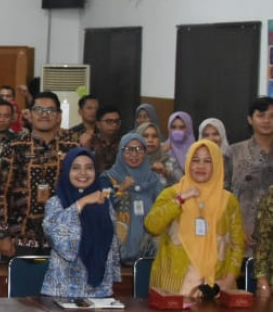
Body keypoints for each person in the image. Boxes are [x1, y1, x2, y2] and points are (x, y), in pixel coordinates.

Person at [145, 140, 243, 298]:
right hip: (174, 287)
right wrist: (181, 198)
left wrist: (228, 281)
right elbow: (152, 225)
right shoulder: (171, 194)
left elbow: (237, 245)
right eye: (195, 160)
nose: (200, 166)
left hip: (217, 287)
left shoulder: (228, 201)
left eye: (207, 161)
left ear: (217, 164)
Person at [0, 92, 80, 257]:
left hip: (62, 237)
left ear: (58, 116)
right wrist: (2, 234)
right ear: (29, 114)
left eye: (50, 110)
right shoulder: (15, 146)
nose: (44, 114)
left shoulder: (72, 148)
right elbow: (1, 194)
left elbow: (80, 193)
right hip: (21, 236)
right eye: (39, 109)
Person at [41, 148, 122, 298]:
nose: (83, 173)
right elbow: (58, 239)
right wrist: (81, 203)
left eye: (89, 168)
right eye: (76, 168)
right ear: (66, 172)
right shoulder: (56, 203)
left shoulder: (104, 204)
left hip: (100, 289)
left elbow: (111, 245)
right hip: (63, 289)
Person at [103, 132, 163, 264]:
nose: (134, 155)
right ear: (120, 152)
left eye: (139, 149)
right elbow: (101, 207)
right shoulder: (108, 179)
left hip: (148, 255)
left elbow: (162, 212)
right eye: (128, 150)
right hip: (114, 258)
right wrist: (121, 189)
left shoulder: (153, 180)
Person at [224, 97, 273, 248]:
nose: (266, 120)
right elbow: (223, 194)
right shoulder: (234, 152)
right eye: (261, 115)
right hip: (241, 236)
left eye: (271, 116)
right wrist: (235, 227)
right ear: (250, 119)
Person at [88, 106, 122, 171]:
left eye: (117, 121)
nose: (114, 125)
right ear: (98, 124)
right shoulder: (90, 142)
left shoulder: (124, 143)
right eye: (109, 121)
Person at [165, 112, 195, 178]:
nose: (177, 131)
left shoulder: (196, 150)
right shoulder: (163, 148)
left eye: (182, 127)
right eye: (173, 127)